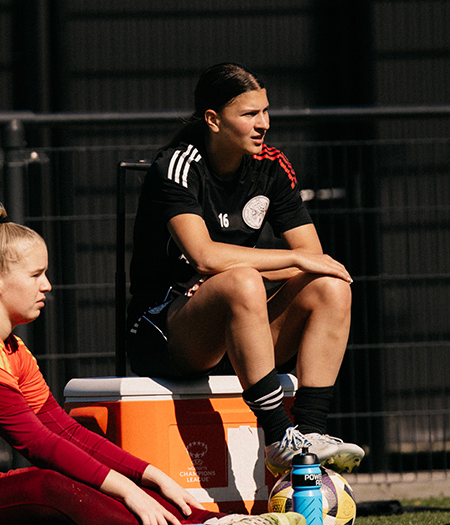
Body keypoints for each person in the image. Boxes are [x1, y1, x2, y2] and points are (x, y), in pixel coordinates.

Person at [0, 201, 303, 525]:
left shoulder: (12, 350)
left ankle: (217, 524)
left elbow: (63, 429)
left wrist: (150, 475)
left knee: (71, 482)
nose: (48, 286)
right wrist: (129, 491)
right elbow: (35, 443)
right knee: (47, 485)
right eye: (37, 274)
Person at [127, 62, 364, 475]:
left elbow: (315, 260)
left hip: (240, 327)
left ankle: (307, 436)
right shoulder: (178, 166)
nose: (264, 124)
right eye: (249, 114)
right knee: (240, 280)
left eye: (266, 111)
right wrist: (282, 261)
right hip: (168, 332)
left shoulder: (272, 166)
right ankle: (277, 436)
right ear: (214, 120)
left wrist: (273, 269)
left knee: (330, 286)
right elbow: (203, 255)